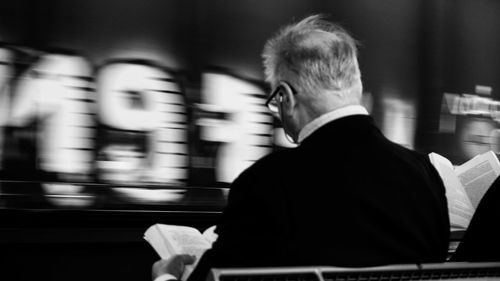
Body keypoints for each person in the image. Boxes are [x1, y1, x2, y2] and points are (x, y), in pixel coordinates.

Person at [152, 14, 450, 281]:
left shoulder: (267, 182)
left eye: (274, 102)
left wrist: (164, 278)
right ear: (355, 85)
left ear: (284, 97)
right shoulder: (425, 174)